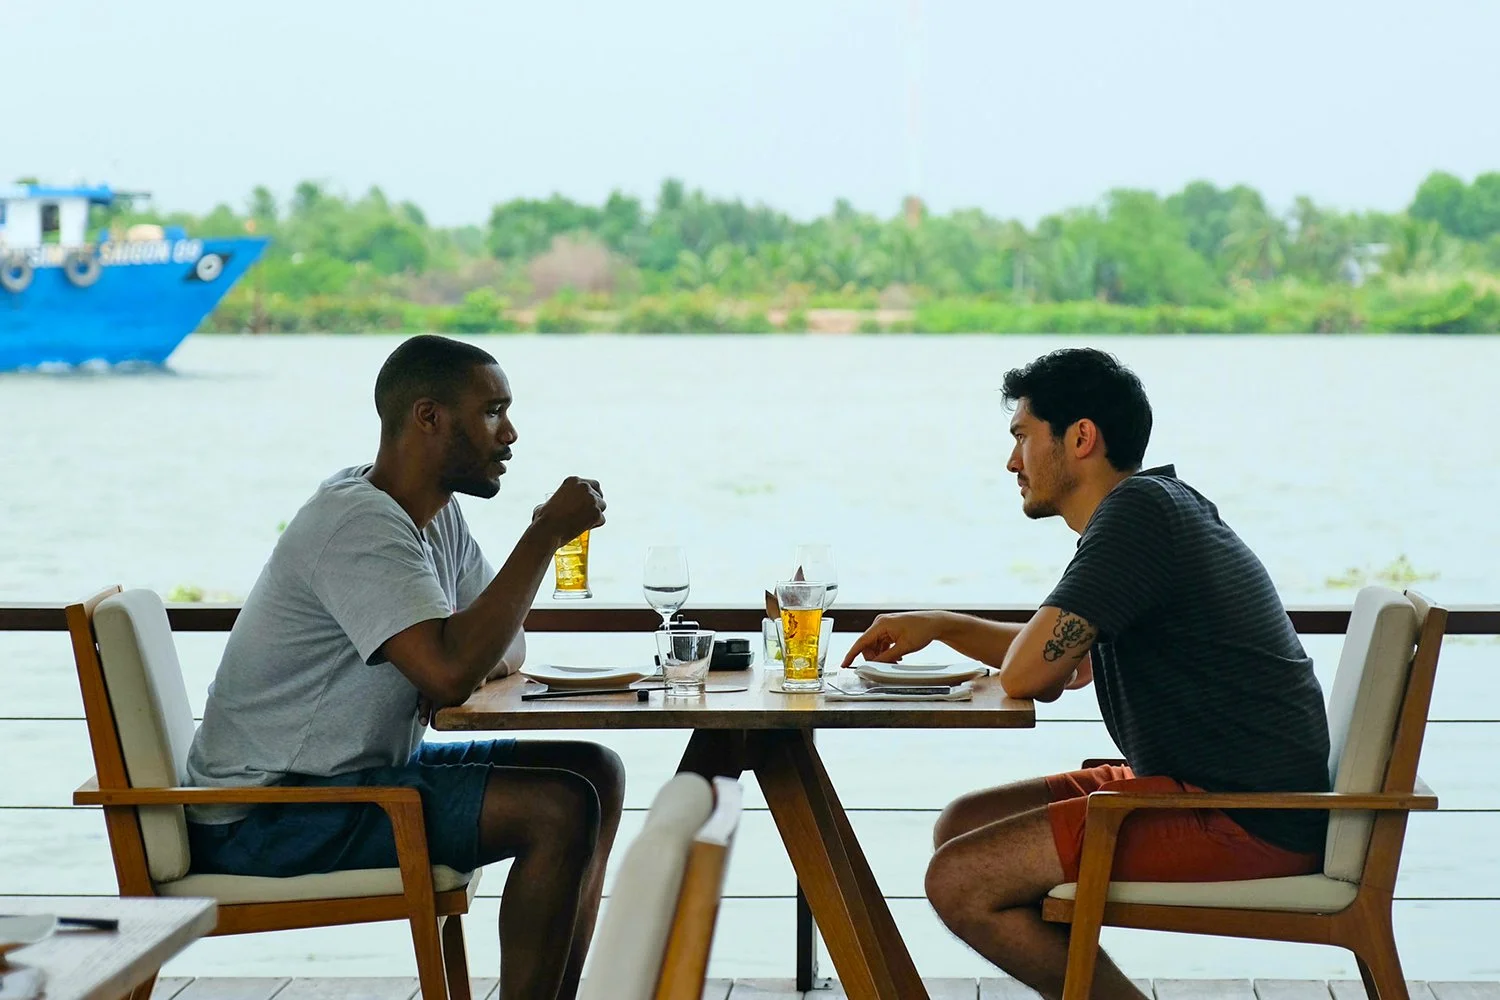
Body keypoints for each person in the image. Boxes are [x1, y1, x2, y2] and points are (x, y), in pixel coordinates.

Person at [840, 348, 1331, 1000]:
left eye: (1021, 437)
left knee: (961, 878)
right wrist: (941, 624)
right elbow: (1059, 662)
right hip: (1200, 789)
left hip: (1244, 818)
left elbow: (1033, 676)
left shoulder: (1138, 517)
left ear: (1080, 436)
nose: (1012, 462)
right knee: (962, 824)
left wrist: (990, 652)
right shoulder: (1153, 509)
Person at [184, 334, 622, 1000]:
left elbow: (504, 647)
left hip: (351, 783)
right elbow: (450, 674)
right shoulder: (358, 526)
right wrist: (543, 536)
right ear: (429, 417)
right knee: (557, 809)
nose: (511, 434)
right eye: (494, 412)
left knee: (593, 769)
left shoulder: (434, 517)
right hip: (265, 814)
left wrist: (453, 660)